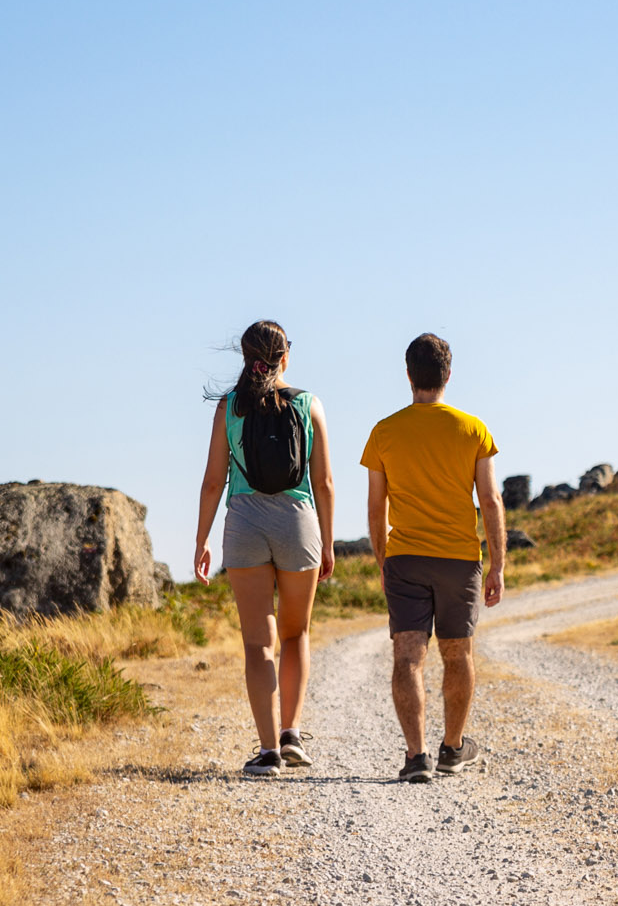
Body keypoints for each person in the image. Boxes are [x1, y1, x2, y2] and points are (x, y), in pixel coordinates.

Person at [192, 319, 336, 777]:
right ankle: (291, 733)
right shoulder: (310, 405)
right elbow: (325, 483)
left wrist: (201, 540)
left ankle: (268, 750)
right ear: (285, 357)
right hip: (298, 523)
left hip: (246, 523)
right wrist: (327, 542)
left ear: (245, 357)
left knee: (259, 643)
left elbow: (215, 480)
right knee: (296, 634)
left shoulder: (230, 407)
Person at [361, 332, 505, 783]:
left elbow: (375, 508)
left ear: (408, 375)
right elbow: (491, 500)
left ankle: (415, 756)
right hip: (459, 559)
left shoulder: (384, 432)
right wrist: (498, 563)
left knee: (408, 654)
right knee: (457, 653)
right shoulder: (472, 429)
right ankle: (452, 749)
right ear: (448, 375)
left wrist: (384, 561)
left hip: (405, 557)